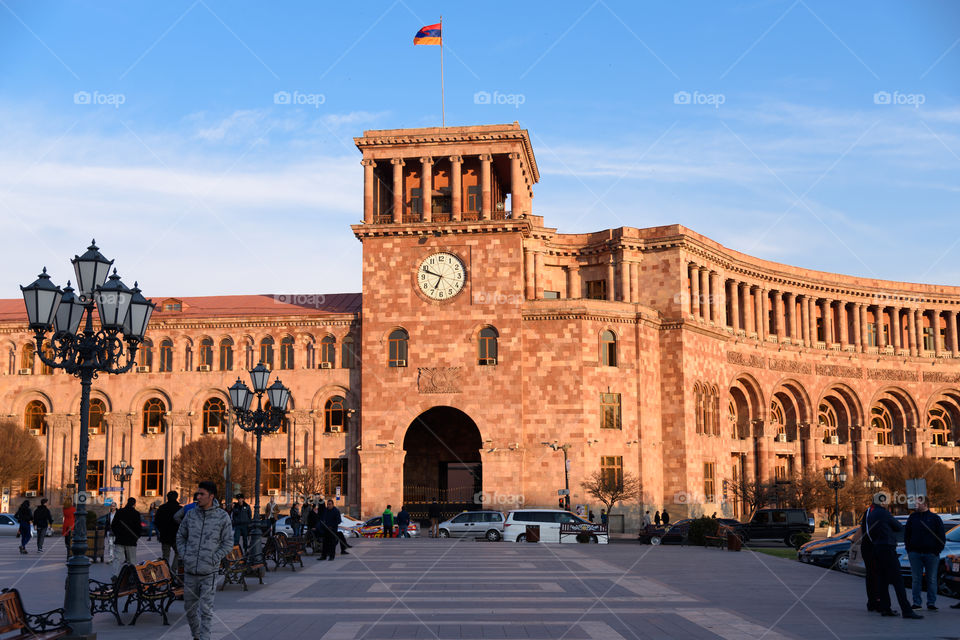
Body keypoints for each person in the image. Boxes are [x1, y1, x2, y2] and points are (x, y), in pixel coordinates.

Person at [177, 481, 232, 640]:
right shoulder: (191, 515)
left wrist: (215, 558)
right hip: (190, 571)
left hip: (209, 572)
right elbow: (180, 536)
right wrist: (184, 554)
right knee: (189, 609)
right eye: (197, 494)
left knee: (206, 610)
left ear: (211, 496)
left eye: (202, 494)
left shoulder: (222, 517)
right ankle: (196, 635)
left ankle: (204, 638)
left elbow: (228, 542)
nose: (198, 497)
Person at [865, 493, 922, 619]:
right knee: (898, 580)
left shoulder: (871, 513)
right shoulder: (884, 513)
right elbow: (898, 526)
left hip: (877, 548)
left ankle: (886, 608)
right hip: (888, 547)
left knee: (882, 580)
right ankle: (906, 610)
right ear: (882, 501)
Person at [904, 495, 945, 611]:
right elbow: (907, 535)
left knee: (931, 579)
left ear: (925, 504)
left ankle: (931, 603)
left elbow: (941, 536)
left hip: (931, 554)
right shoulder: (912, 518)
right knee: (916, 579)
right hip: (915, 553)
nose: (916, 505)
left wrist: (937, 550)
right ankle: (917, 603)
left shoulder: (935, 518)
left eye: (918, 503)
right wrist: (910, 550)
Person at [859, 503, 882, 612]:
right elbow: (868, 531)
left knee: (873, 575)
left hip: (870, 546)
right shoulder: (871, 512)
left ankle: (874, 601)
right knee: (875, 575)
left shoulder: (871, 512)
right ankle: (875, 601)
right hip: (872, 547)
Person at [111, 497, 143, 575]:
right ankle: (133, 577)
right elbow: (138, 528)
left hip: (120, 539)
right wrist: (136, 537)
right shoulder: (136, 513)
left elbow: (113, 525)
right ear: (134, 504)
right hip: (131, 540)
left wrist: (117, 534)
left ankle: (115, 575)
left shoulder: (120, 512)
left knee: (117, 558)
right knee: (132, 560)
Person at [154, 490, 182, 568]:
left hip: (165, 535)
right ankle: (173, 569)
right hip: (176, 535)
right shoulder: (180, 509)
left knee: (165, 555)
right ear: (177, 497)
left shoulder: (162, 508)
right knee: (179, 553)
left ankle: (166, 571)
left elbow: (156, 521)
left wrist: (161, 530)